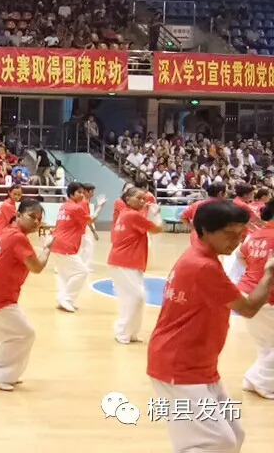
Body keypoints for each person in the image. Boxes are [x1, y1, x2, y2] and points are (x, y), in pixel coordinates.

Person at [148, 200, 274, 453]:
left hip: (201, 366)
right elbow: (248, 308)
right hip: (178, 367)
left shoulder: (201, 250)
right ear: (205, 231)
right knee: (213, 442)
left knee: (234, 435)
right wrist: (269, 273)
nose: (236, 241)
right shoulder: (203, 266)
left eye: (241, 234)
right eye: (229, 234)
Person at [0, 199, 53, 391]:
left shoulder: (11, 232)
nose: (36, 222)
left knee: (17, 336)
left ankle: (7, 373)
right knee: (24, 334)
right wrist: (48, 247)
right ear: (18, 215)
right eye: (32, 216)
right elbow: (36, 267)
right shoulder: (17, 237)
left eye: (39, 219)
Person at [107, 187, 164, 345]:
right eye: (138, 198)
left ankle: (130, 332)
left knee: (133, 298)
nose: (142, 201)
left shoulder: (127, 214)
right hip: (123, 261)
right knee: (137, 296)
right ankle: (122, 331)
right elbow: (157, 229)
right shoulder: (132, 215)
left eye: (144, 199)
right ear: (128, 199)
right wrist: (156, 213)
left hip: (129, 261)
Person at [234, 199, 274, 400]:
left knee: (265, 343)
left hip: (247, 292)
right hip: (267, 298)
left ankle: (254, 382)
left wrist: (254, 270)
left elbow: (241, 256)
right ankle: (259, 380)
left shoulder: (255, 235)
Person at [52, 182, 106, 313]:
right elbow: (90, 220)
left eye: (83, 192)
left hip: (57, 242)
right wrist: (100, 207)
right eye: (79, 192)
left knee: (65, 275)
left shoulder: (64, 206)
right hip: (66, 244)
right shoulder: (76, 208)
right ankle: (67, 299)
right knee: (82, 272)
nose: (82, 195)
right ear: (71, 194)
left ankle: (62, 299)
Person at [0, 185, 23, 254]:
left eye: (19, 195)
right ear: (9, 193)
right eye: (15, 194)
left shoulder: (10, 203)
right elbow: (15, 222)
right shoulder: (8, 205)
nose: (17, 196)